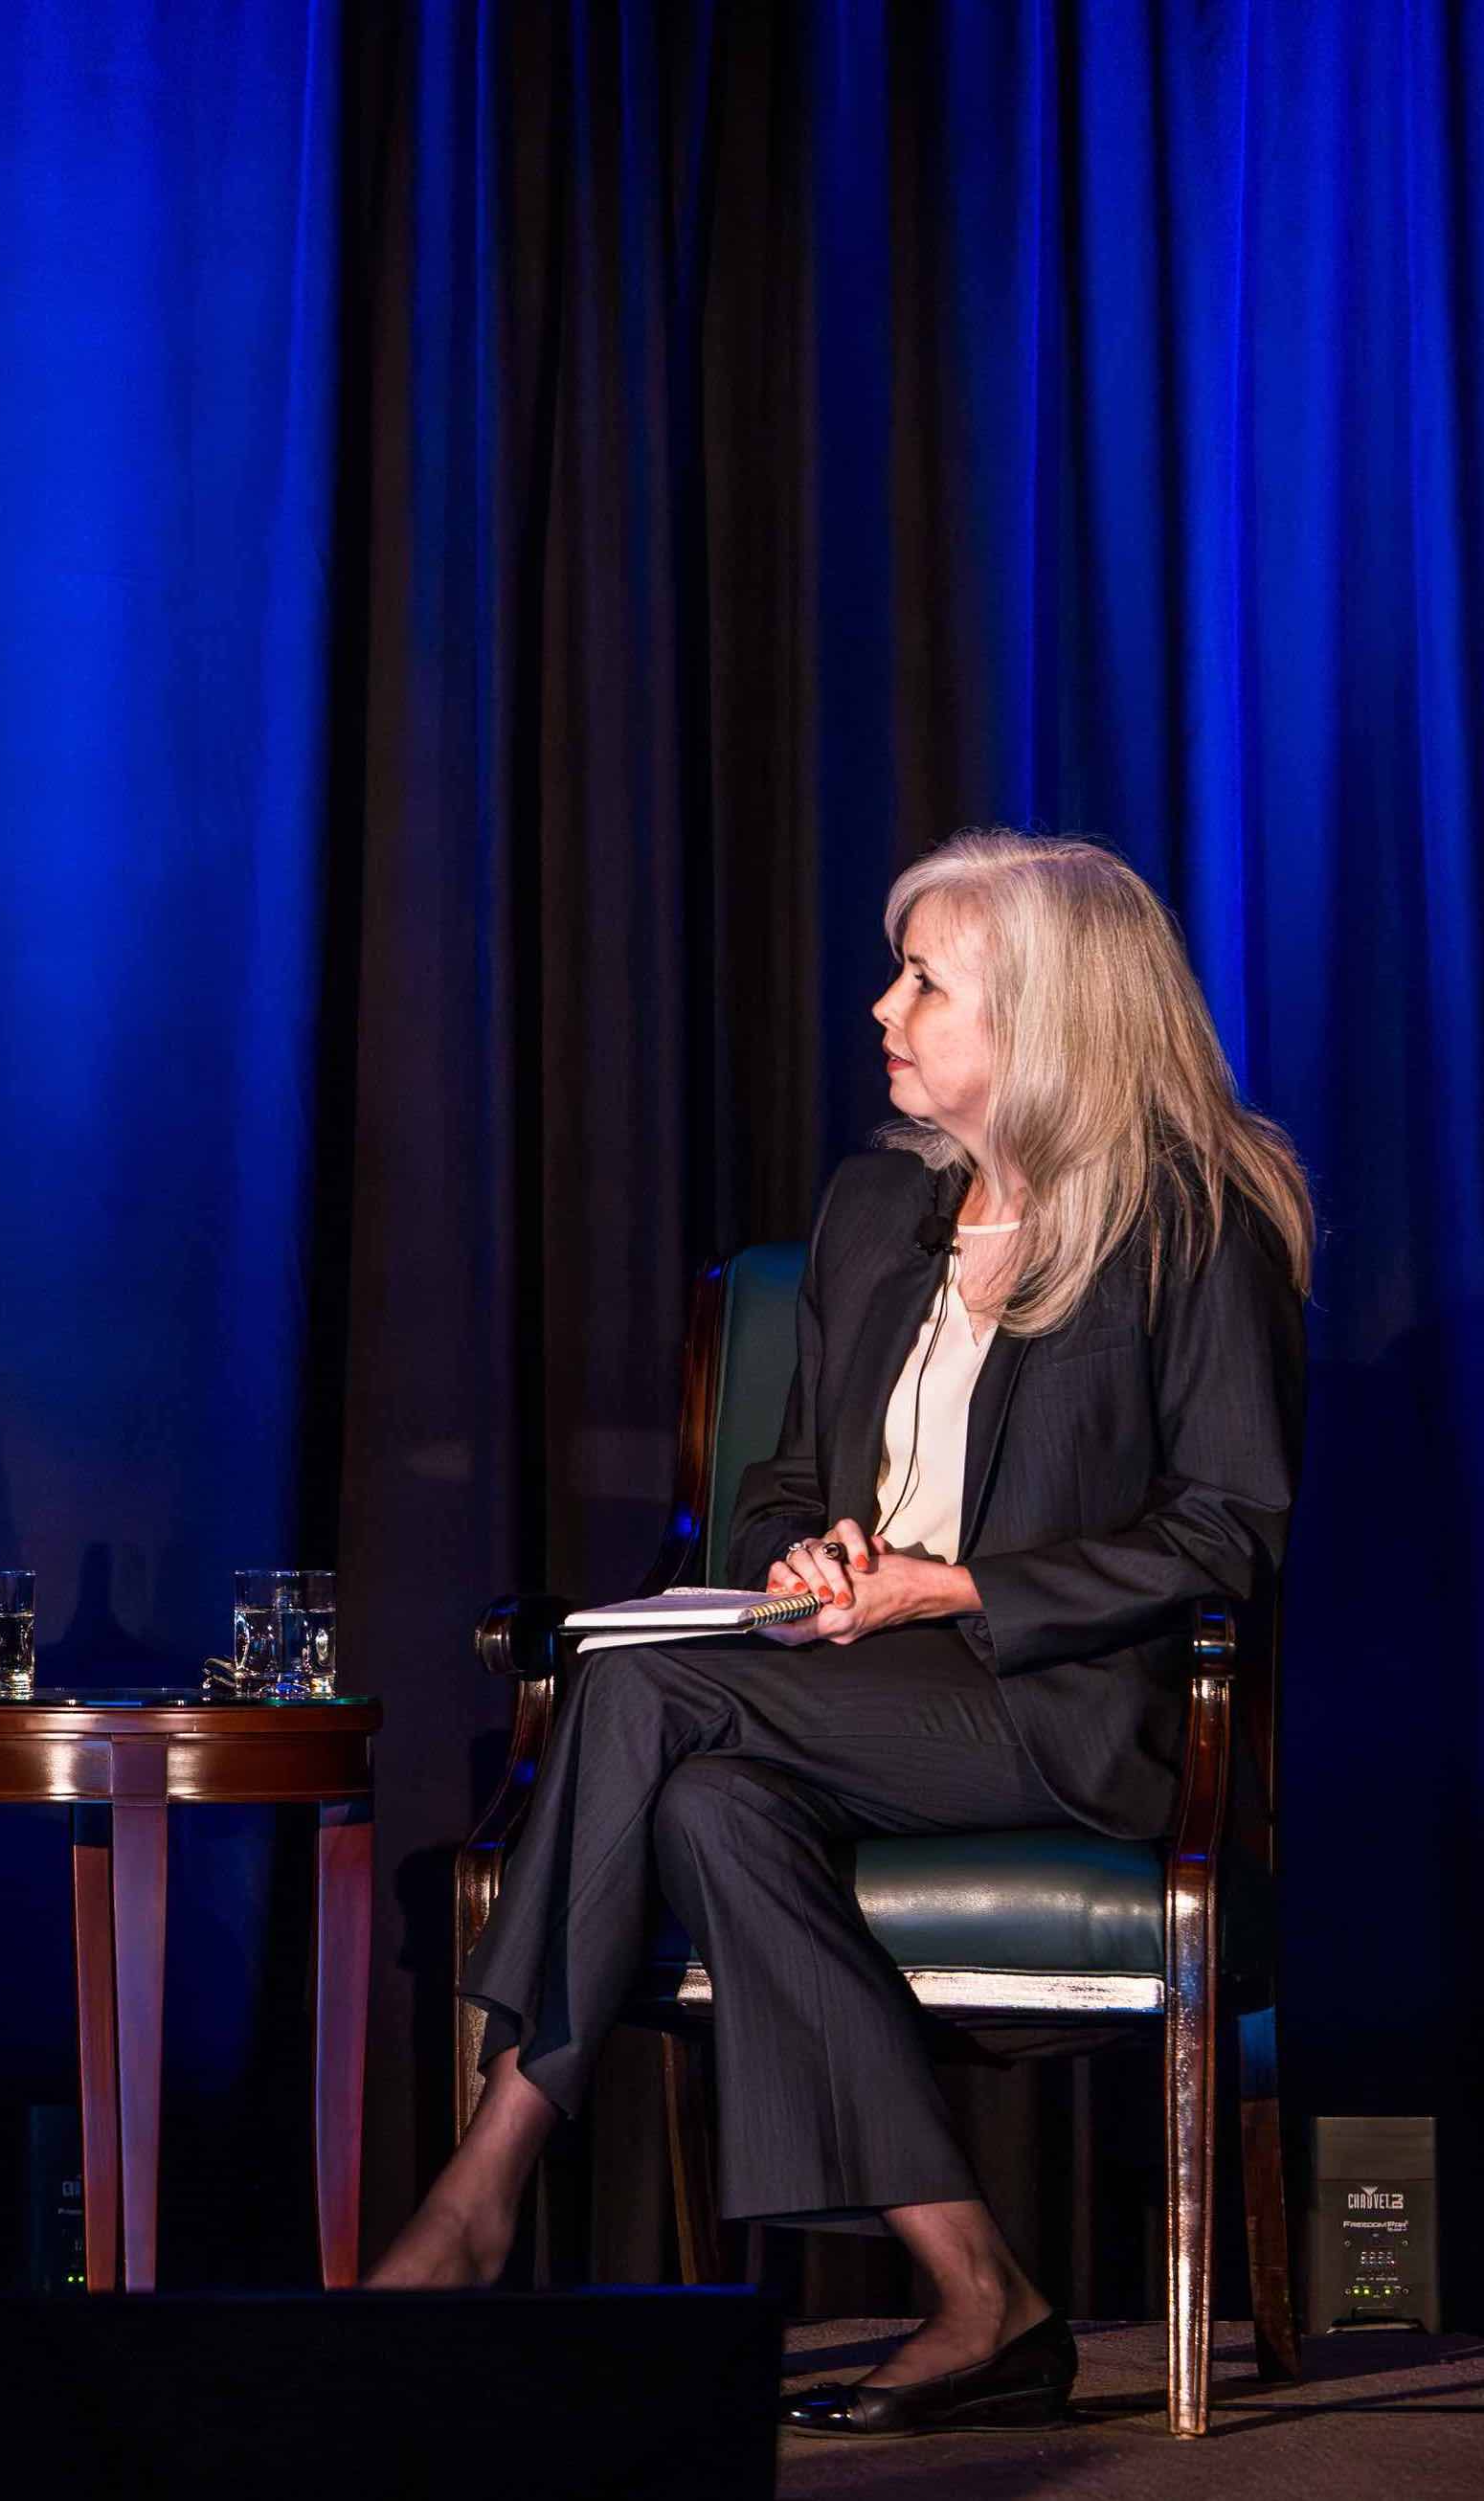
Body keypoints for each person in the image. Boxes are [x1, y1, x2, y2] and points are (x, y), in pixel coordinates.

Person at [374, 833, 1312, 2437]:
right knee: (701, 1803)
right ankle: (978, 2291)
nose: (883, 1004)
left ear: (1041, 1019)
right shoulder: (879, 1206)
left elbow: (1227, 1532)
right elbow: (779, 1488)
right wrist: (804, 1553)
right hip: (853, 1690)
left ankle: (477, 2190)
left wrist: (943, 1589)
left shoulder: (1189, 1221)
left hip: (1063, 1711)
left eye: (925, 979)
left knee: (637, 1689)